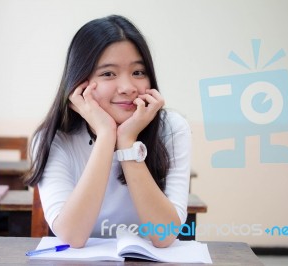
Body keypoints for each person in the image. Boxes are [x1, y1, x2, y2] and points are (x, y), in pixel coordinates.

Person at [24, 15, 191, 248]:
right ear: (79, 83)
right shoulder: (53, 138)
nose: (127, 88)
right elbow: (73, 236)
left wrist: (127, 142)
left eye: (138, 72)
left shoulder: (172, 129)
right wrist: (106, 135)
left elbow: (164, 235)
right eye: (108, 74)